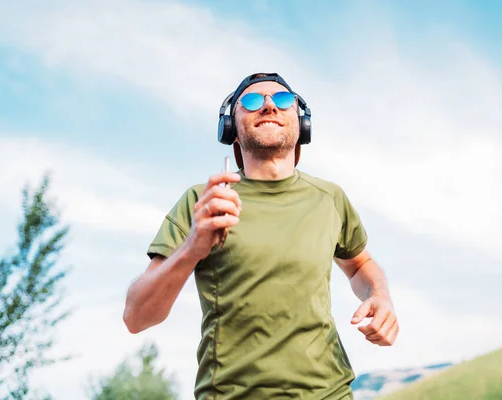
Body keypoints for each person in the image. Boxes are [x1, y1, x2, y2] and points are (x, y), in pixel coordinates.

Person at [122, 72, 399, 399]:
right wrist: (192, 248)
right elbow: (136, 317)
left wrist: (380, 294)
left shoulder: (330, 198)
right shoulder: (204, 202)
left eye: (283, 100)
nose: (269, 105)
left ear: (301, 123)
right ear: (232, 129)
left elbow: (358, 265)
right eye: (252, 101)